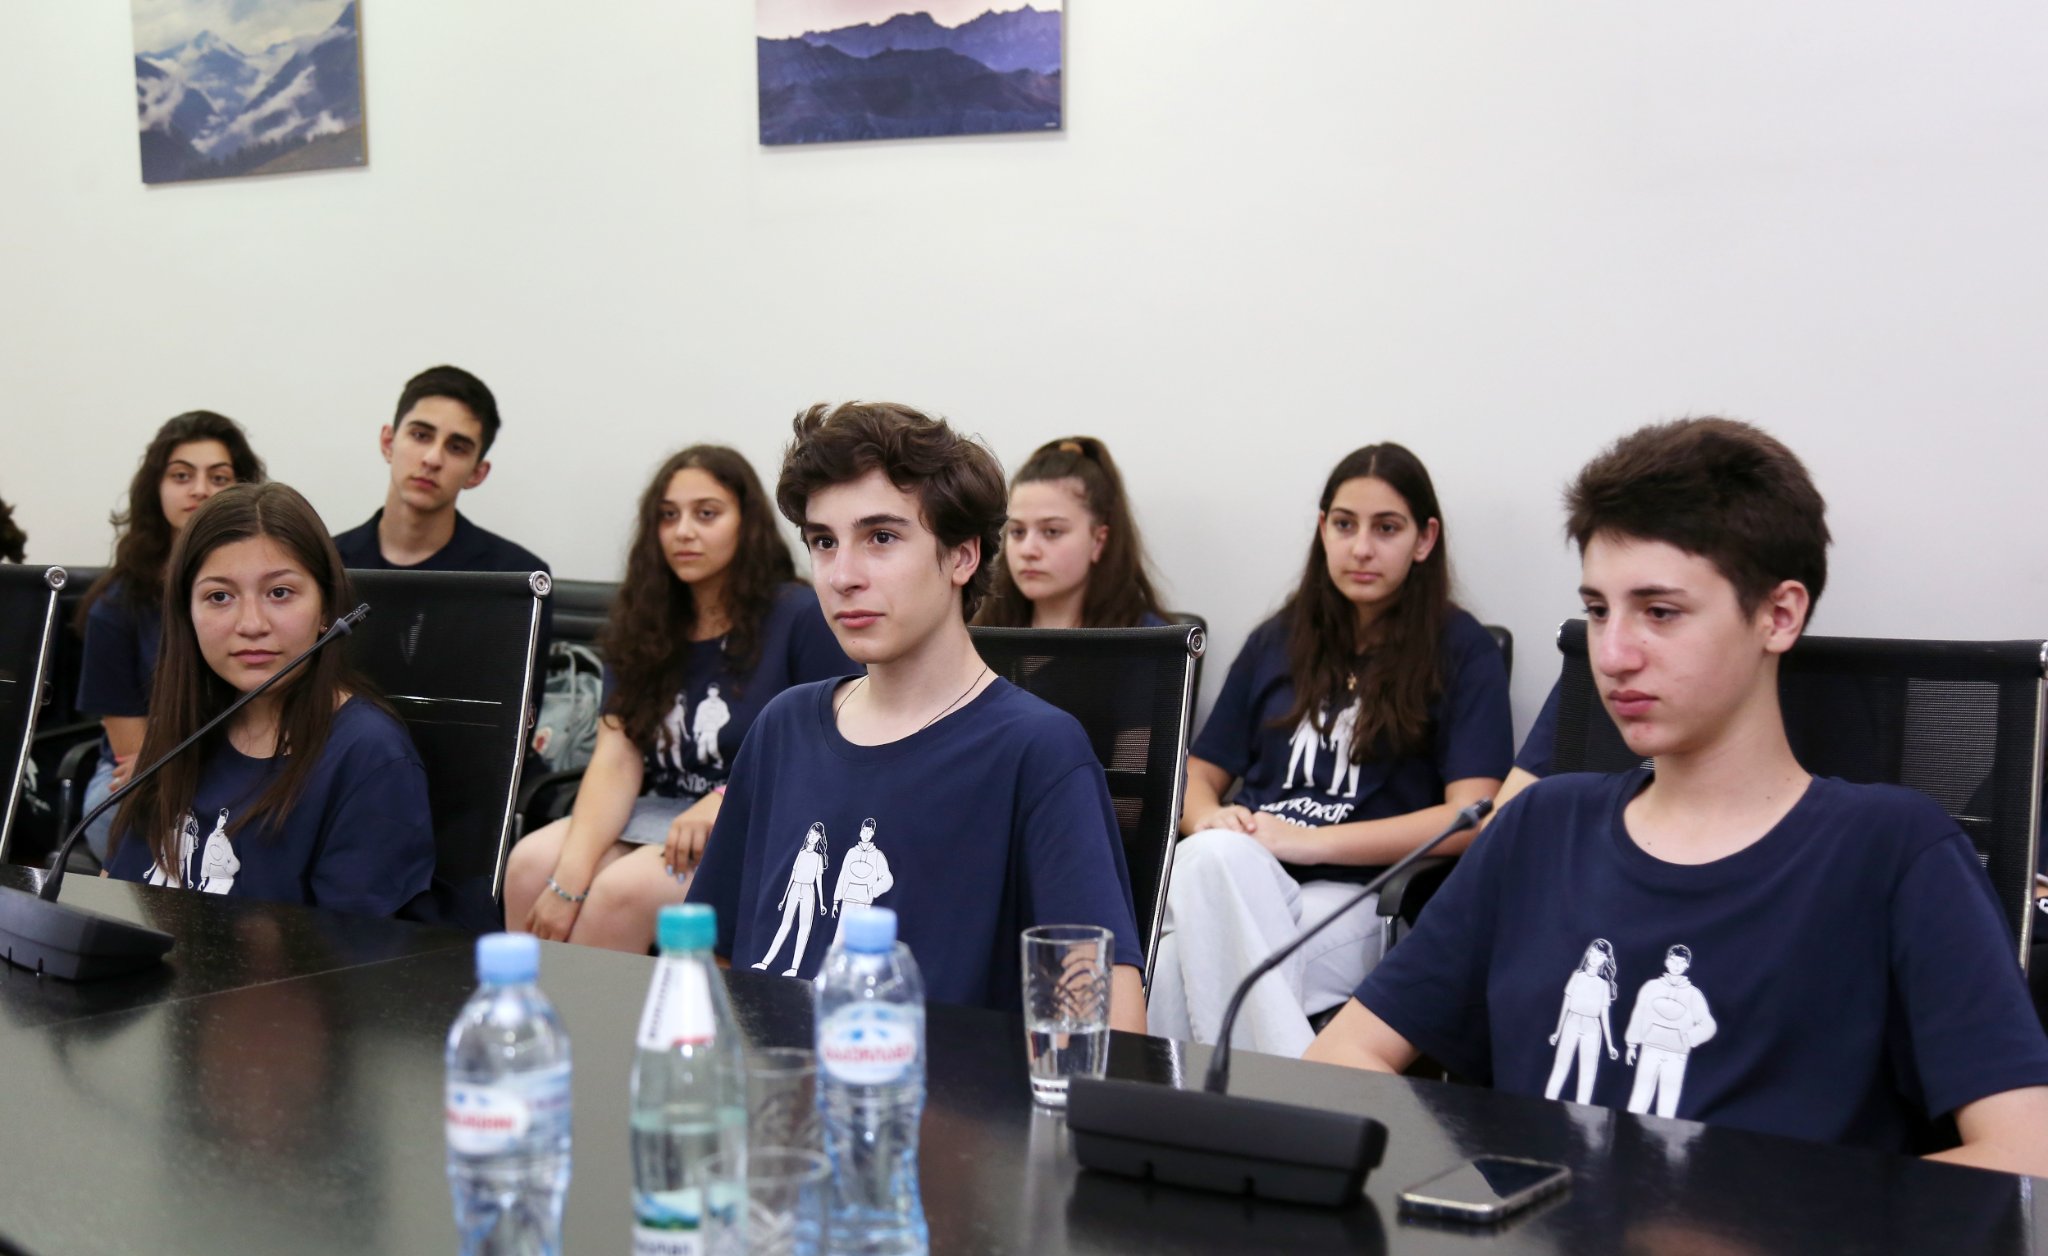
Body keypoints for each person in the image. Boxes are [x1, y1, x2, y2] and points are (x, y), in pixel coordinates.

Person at [1306, 417, 2048, 1177]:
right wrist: (1475, 1187)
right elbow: (1344, 1055)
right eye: (1599, 610)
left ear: (1779, 616)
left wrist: (1771, 1221)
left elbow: (2027, 1155)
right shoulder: (1539, 827)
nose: (1613, 655)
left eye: (1660, 612)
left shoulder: (1893, 854)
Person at [686, 401, 1146, 1026]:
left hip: (928, 1084)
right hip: (770, 1078)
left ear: (961, 556)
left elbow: (1108, 1024)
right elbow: (711, 956)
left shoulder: (1036, 750)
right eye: (824, 542)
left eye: (881, 537)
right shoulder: (784, 727)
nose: (842, 576)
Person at [1146, 442, 1512, 1057]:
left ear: (1424, 539)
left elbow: (1473, 816)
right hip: (1246, 870)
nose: (1361, 547)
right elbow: (1195, 776)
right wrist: (1210, 818)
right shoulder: (1276, 640)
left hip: (1361, 896)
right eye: (1345, 525)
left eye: (1386, 528)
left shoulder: (1462, 650)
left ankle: (1174, 1109)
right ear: (1323, 530)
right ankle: (1286, 1098)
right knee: (1210, 859)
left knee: (1173, 964)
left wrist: (1309, 841)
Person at [502, 445, 851, 953]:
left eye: (706, 514)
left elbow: (826, 747)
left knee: (623, 892)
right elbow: (616, 760)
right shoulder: (643, 620)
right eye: (668, 516)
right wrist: (567, 882)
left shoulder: (799, 614)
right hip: (658, 810)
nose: (683, 531)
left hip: (755, 818)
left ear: (747, 523)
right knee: (530, 865)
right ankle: (525, 1004)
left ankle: (595, 1011)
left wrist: (725, 800)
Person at [104, 483, 434, 917]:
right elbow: (114, 896)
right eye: (219, 597)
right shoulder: (184, 728)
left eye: (279, 592)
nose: (251, 624)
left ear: (325, 609)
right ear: (187, 614)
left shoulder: (370, 756)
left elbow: (352, 951)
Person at [74, 412, 266, 861]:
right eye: (182, 476)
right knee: (120, 814)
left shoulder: (266, 589)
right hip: (150, 770)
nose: (199, 490)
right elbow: (138, 757)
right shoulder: (115, 607)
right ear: (155, 489)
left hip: (249, 757)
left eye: (219, 477)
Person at [329, 365, 553, 707]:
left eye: (457, 447)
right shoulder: (326, 562)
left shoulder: (514, 579)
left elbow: (513, 719)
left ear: (477, 473)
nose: (433, 458)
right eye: (421, 435)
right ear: (388, 442)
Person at [973, 435, 1169, 629]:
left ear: (1098, 541)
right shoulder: (980, 634)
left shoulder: (1148, 640)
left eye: (1051, 531)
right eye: (1017, 532)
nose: (1028, 550)